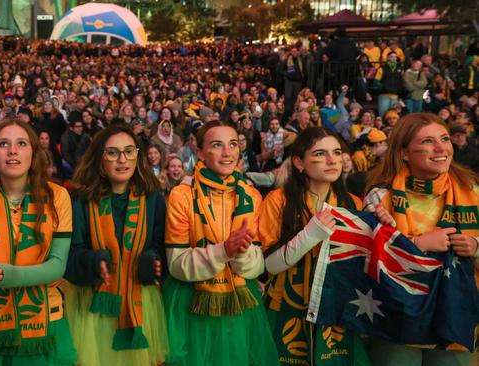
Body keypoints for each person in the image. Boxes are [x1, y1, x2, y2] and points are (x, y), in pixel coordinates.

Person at [0, 118, 76, 365]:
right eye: (4, 144)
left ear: (33, 152)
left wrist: (7, 276)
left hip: (45, 318)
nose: (12, 151)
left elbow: (57, 266)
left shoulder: (58, 196)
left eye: (21, 143)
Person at [364, 113, 479, 366]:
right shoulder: (380, 196)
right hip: (398, 316)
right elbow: (368, 257)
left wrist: (475, 246)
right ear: (404, 152)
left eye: (445, 139)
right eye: (428, 141)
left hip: (455, 311)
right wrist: (417, 246)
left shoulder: (471, 189)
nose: (441, 148)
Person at [163, 120, 279, 366]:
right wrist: (223, 251)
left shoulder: (252, 195)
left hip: (241, 303)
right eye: (217, 145)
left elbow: (257, 267)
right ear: (201, 152)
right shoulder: (182, 196)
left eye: (233, 144)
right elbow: (176, 264)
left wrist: (241, 254)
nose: (227, 153)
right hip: (192, 303)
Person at [259, 127, 369, 365]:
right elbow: (269, 265)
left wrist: (382, 228)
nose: (332, 160)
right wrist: (310, 235)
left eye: (337, 152)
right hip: (286, 307)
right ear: (298, 162)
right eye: (320, 154)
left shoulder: (353, 203)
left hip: (335, 310)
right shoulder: (278, 200)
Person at [64, 124, 168, 366]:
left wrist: (151, 260)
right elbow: (72, 252)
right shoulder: (80, 199)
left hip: (140, 300)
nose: (123, 160)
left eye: (129, 151)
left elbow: (160, 245)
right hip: (95, 303)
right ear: (99, 159)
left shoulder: (152, 197)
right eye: (113, 153)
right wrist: (93, 261)